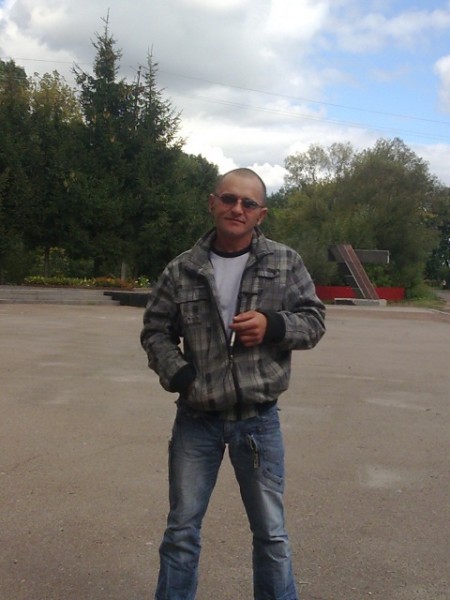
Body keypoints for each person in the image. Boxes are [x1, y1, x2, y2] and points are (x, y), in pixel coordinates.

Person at [140, 168, 326, 600]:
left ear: (261, 214)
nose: (236, 209)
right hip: (197, 419)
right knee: (181, 530)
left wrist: (273, 325)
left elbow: (314, 321)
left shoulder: (285, 262)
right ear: (212, 203)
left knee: (271, 534)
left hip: (258, 421)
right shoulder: (182, 269)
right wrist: (180, 375)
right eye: (228, 199)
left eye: (248, 203)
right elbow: (155, 331)